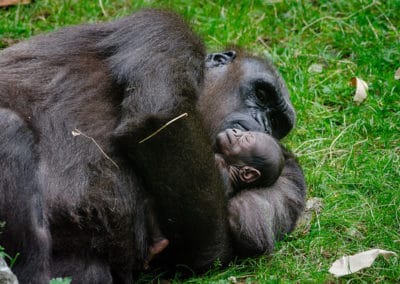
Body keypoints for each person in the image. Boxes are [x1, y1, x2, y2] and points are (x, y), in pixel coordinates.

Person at [144, 128, 284, 267]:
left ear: (248, 174)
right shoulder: (226, 184)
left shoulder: (217, 168)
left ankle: (158, 238)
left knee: (150, 201)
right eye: (244, 132)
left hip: (176, 212)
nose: (237, 131)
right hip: (185, 220)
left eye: (245, 139)